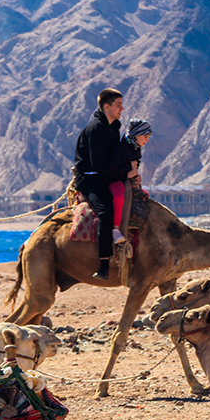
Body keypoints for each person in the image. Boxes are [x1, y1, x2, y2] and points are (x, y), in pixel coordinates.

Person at [73, 89, 129, 279]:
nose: (122, 108)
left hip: (106, 175)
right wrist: (123, 173)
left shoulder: (114, 127)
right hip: (90, 178)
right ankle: (104, 263)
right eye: (118, 105)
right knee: (105, 212)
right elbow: (98, 165)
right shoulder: (96, 128)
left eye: (121, 104)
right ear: (107, 107)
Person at [107, 118, 152, 233]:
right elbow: (113, 168)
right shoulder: (120, 149)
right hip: (114, 180)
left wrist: (137, 176)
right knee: (119, 196)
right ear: (137, 135)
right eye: (145, 136)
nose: (147, 140)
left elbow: (136, 165)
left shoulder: (136, 148)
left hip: (127, 179)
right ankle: (116, 229)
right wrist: (127, 172)